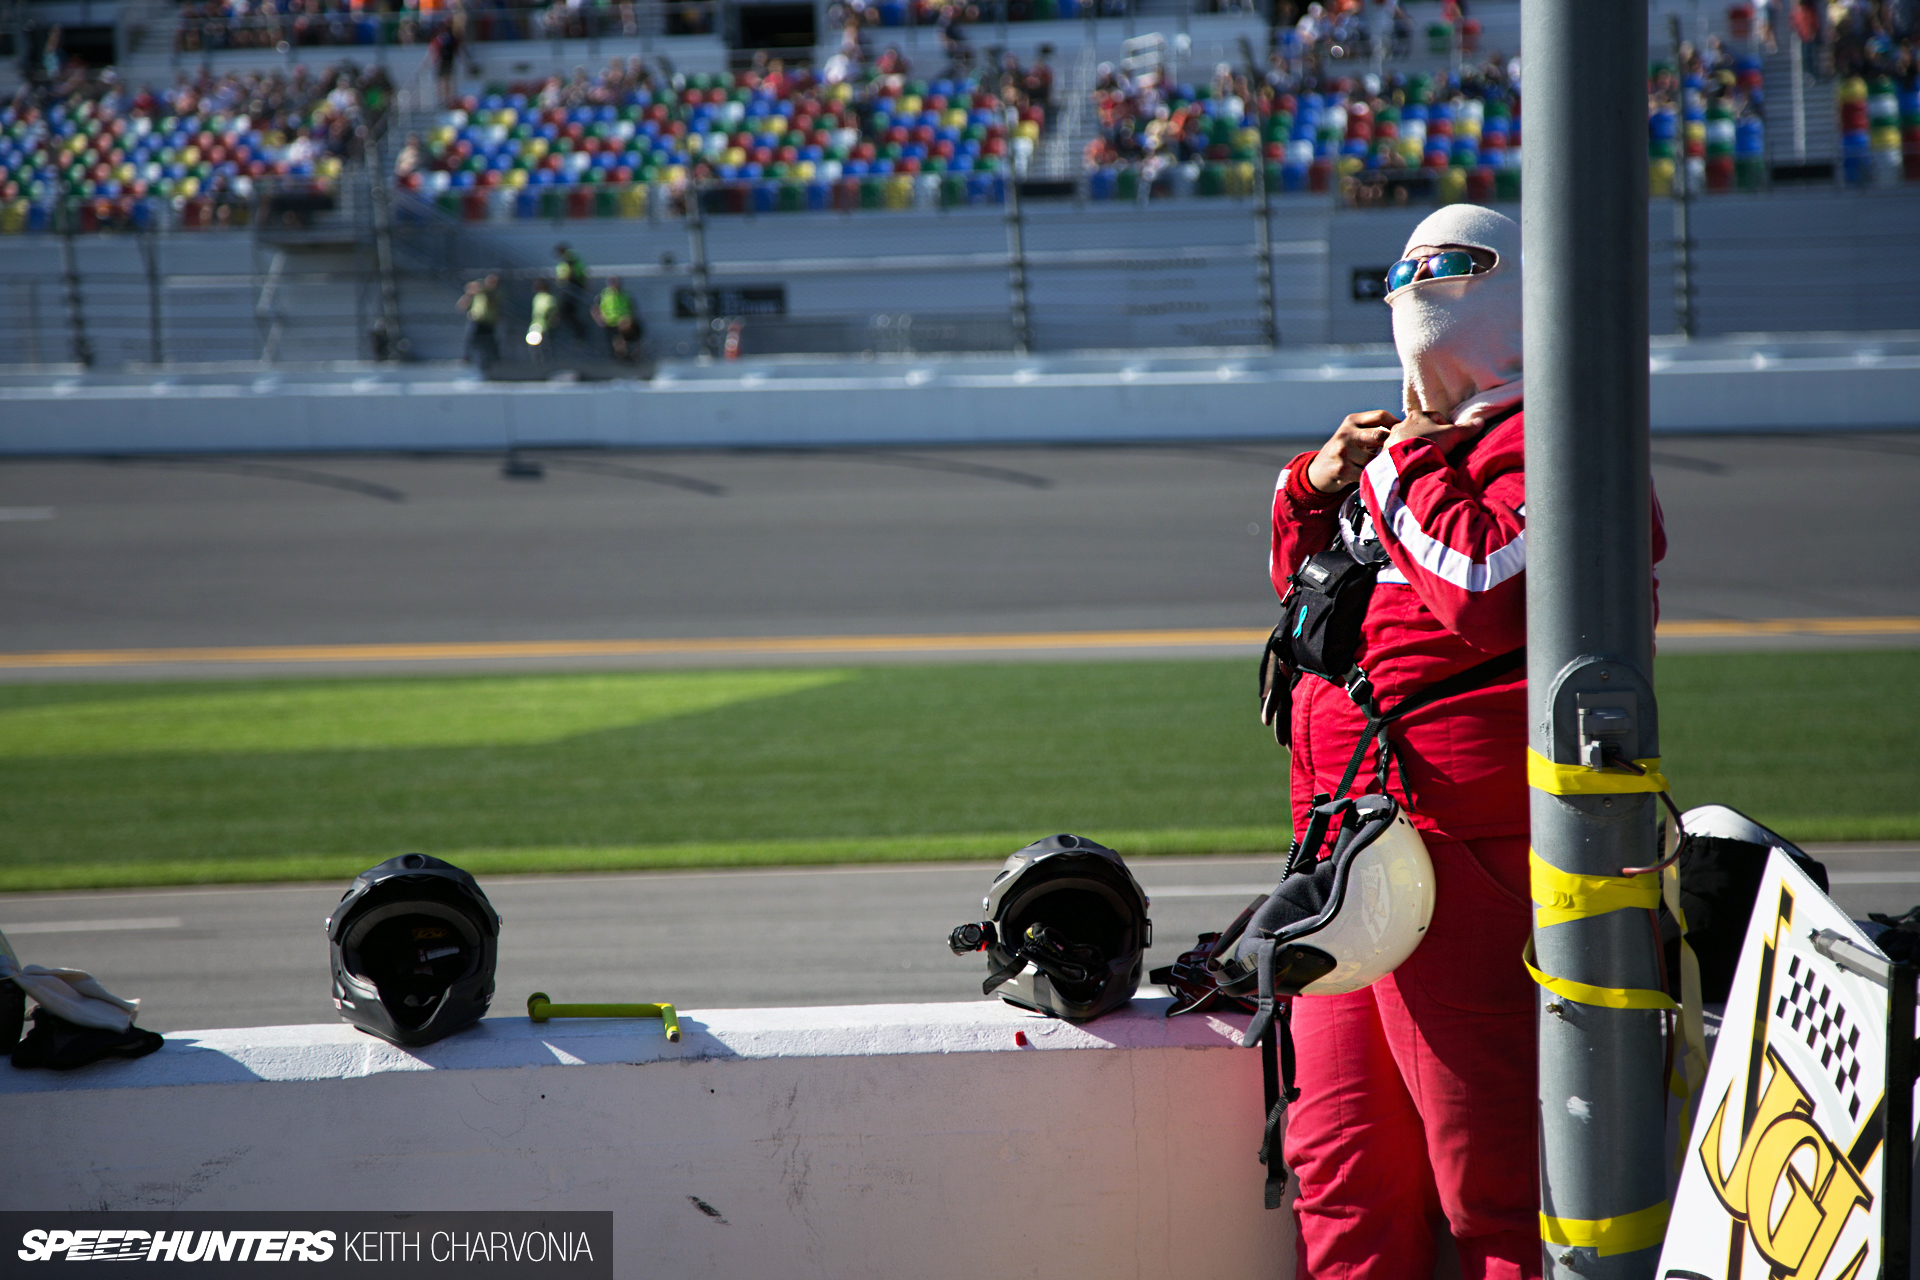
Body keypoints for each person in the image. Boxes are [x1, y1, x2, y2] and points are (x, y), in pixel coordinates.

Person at [1266, 204, 1665, 1280]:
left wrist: (1399, 468)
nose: (1418, 299)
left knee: (1489, 1175)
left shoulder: (1564, 435)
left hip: (1466, 856)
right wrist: (1317, 485)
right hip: (1352, 852)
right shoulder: (1424, 448)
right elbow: (1316, 605)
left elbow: (1490, 587)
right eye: (1408, 278)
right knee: (1344, 1166)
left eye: (1444, 275)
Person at [593, 276, 643, 362]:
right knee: (617, 343)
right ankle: (620, 360)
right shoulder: (604, 294)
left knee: (628, 341)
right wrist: (599, 320)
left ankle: (630, 359)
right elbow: (595, 308)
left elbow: (632, 307)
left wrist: (629, 319)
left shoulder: (625, 294)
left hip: (624, 323)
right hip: (611, 323)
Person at [457, 273, 501, 372]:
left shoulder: (493, 293)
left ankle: (492, 361)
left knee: (489, 343)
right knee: (471, 339)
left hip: (489, 322)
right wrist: (469, 293)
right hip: (477, 320)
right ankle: (467, 358)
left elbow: (491, 296)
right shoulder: (478, 294)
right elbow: (461, 305)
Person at [553, 242, 590, 340]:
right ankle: (577, 332)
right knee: (566, 313)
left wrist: (566, 281)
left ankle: (580, 331)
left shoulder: (569, 257)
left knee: (564, 311)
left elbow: (571, 270)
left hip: (571, 287)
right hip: (569, 287)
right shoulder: (571, 257)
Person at [525, 278, 560, 362]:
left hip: (545, 326)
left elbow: (554, 313)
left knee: (545, 345)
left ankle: (547, 361)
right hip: (535, 325)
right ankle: (536, 361)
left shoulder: (550, 298)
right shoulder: (537, 297)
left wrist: (552, 322)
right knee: (533, 345)